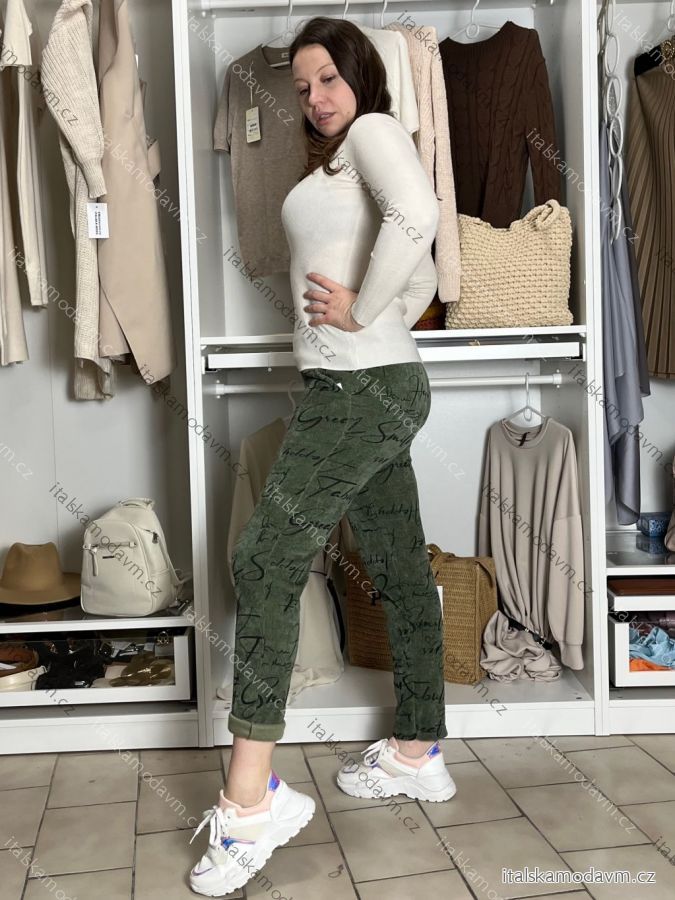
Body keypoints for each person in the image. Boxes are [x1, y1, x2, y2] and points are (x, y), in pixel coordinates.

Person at [188, 16, 456, 898]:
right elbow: (418, 264)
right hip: (368, 384)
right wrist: (376, 312)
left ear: (360, 74)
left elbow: (420, 219)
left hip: (360, 387)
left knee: (264, 562)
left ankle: (251, 804)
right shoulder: (337, 162)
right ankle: (416, 750)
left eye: (328, 79)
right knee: (400, 573)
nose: (314, 98)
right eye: (302, 87)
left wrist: (359, 312)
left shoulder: (375, 130)